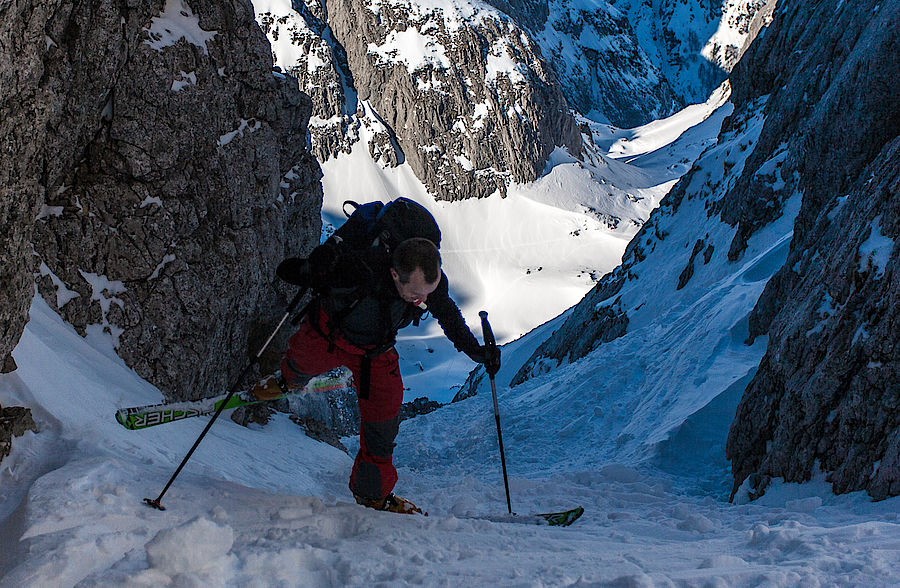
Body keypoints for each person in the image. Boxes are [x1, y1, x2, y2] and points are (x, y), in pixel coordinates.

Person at [266, 226, 500, 514]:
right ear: (393, 274)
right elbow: (288, 270)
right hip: (329, 335)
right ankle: (287, 380)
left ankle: (372, 494)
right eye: (415, 294)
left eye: (427, 293)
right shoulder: (355, 269)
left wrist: (477, 352)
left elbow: (449, 316)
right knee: (301, 362)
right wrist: (313, 267)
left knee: (384, 419)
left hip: (375, 353)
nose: (421, 301)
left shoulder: (428, 283)